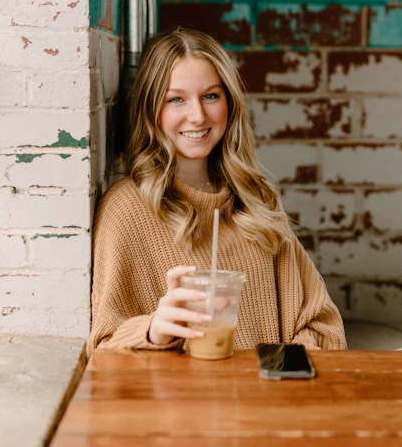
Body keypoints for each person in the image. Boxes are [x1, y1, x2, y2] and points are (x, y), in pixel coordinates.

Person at [87, 27, 346, 357]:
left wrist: (277, 374)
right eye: (175, 99)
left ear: (230, 103)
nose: (197, 116)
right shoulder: (126, 209)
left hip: (267, 403)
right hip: (187, 406)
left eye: (210, 95)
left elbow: (323, 325)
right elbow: (104, 348)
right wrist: (153, 331)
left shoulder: (256, 198)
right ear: (152, 111)